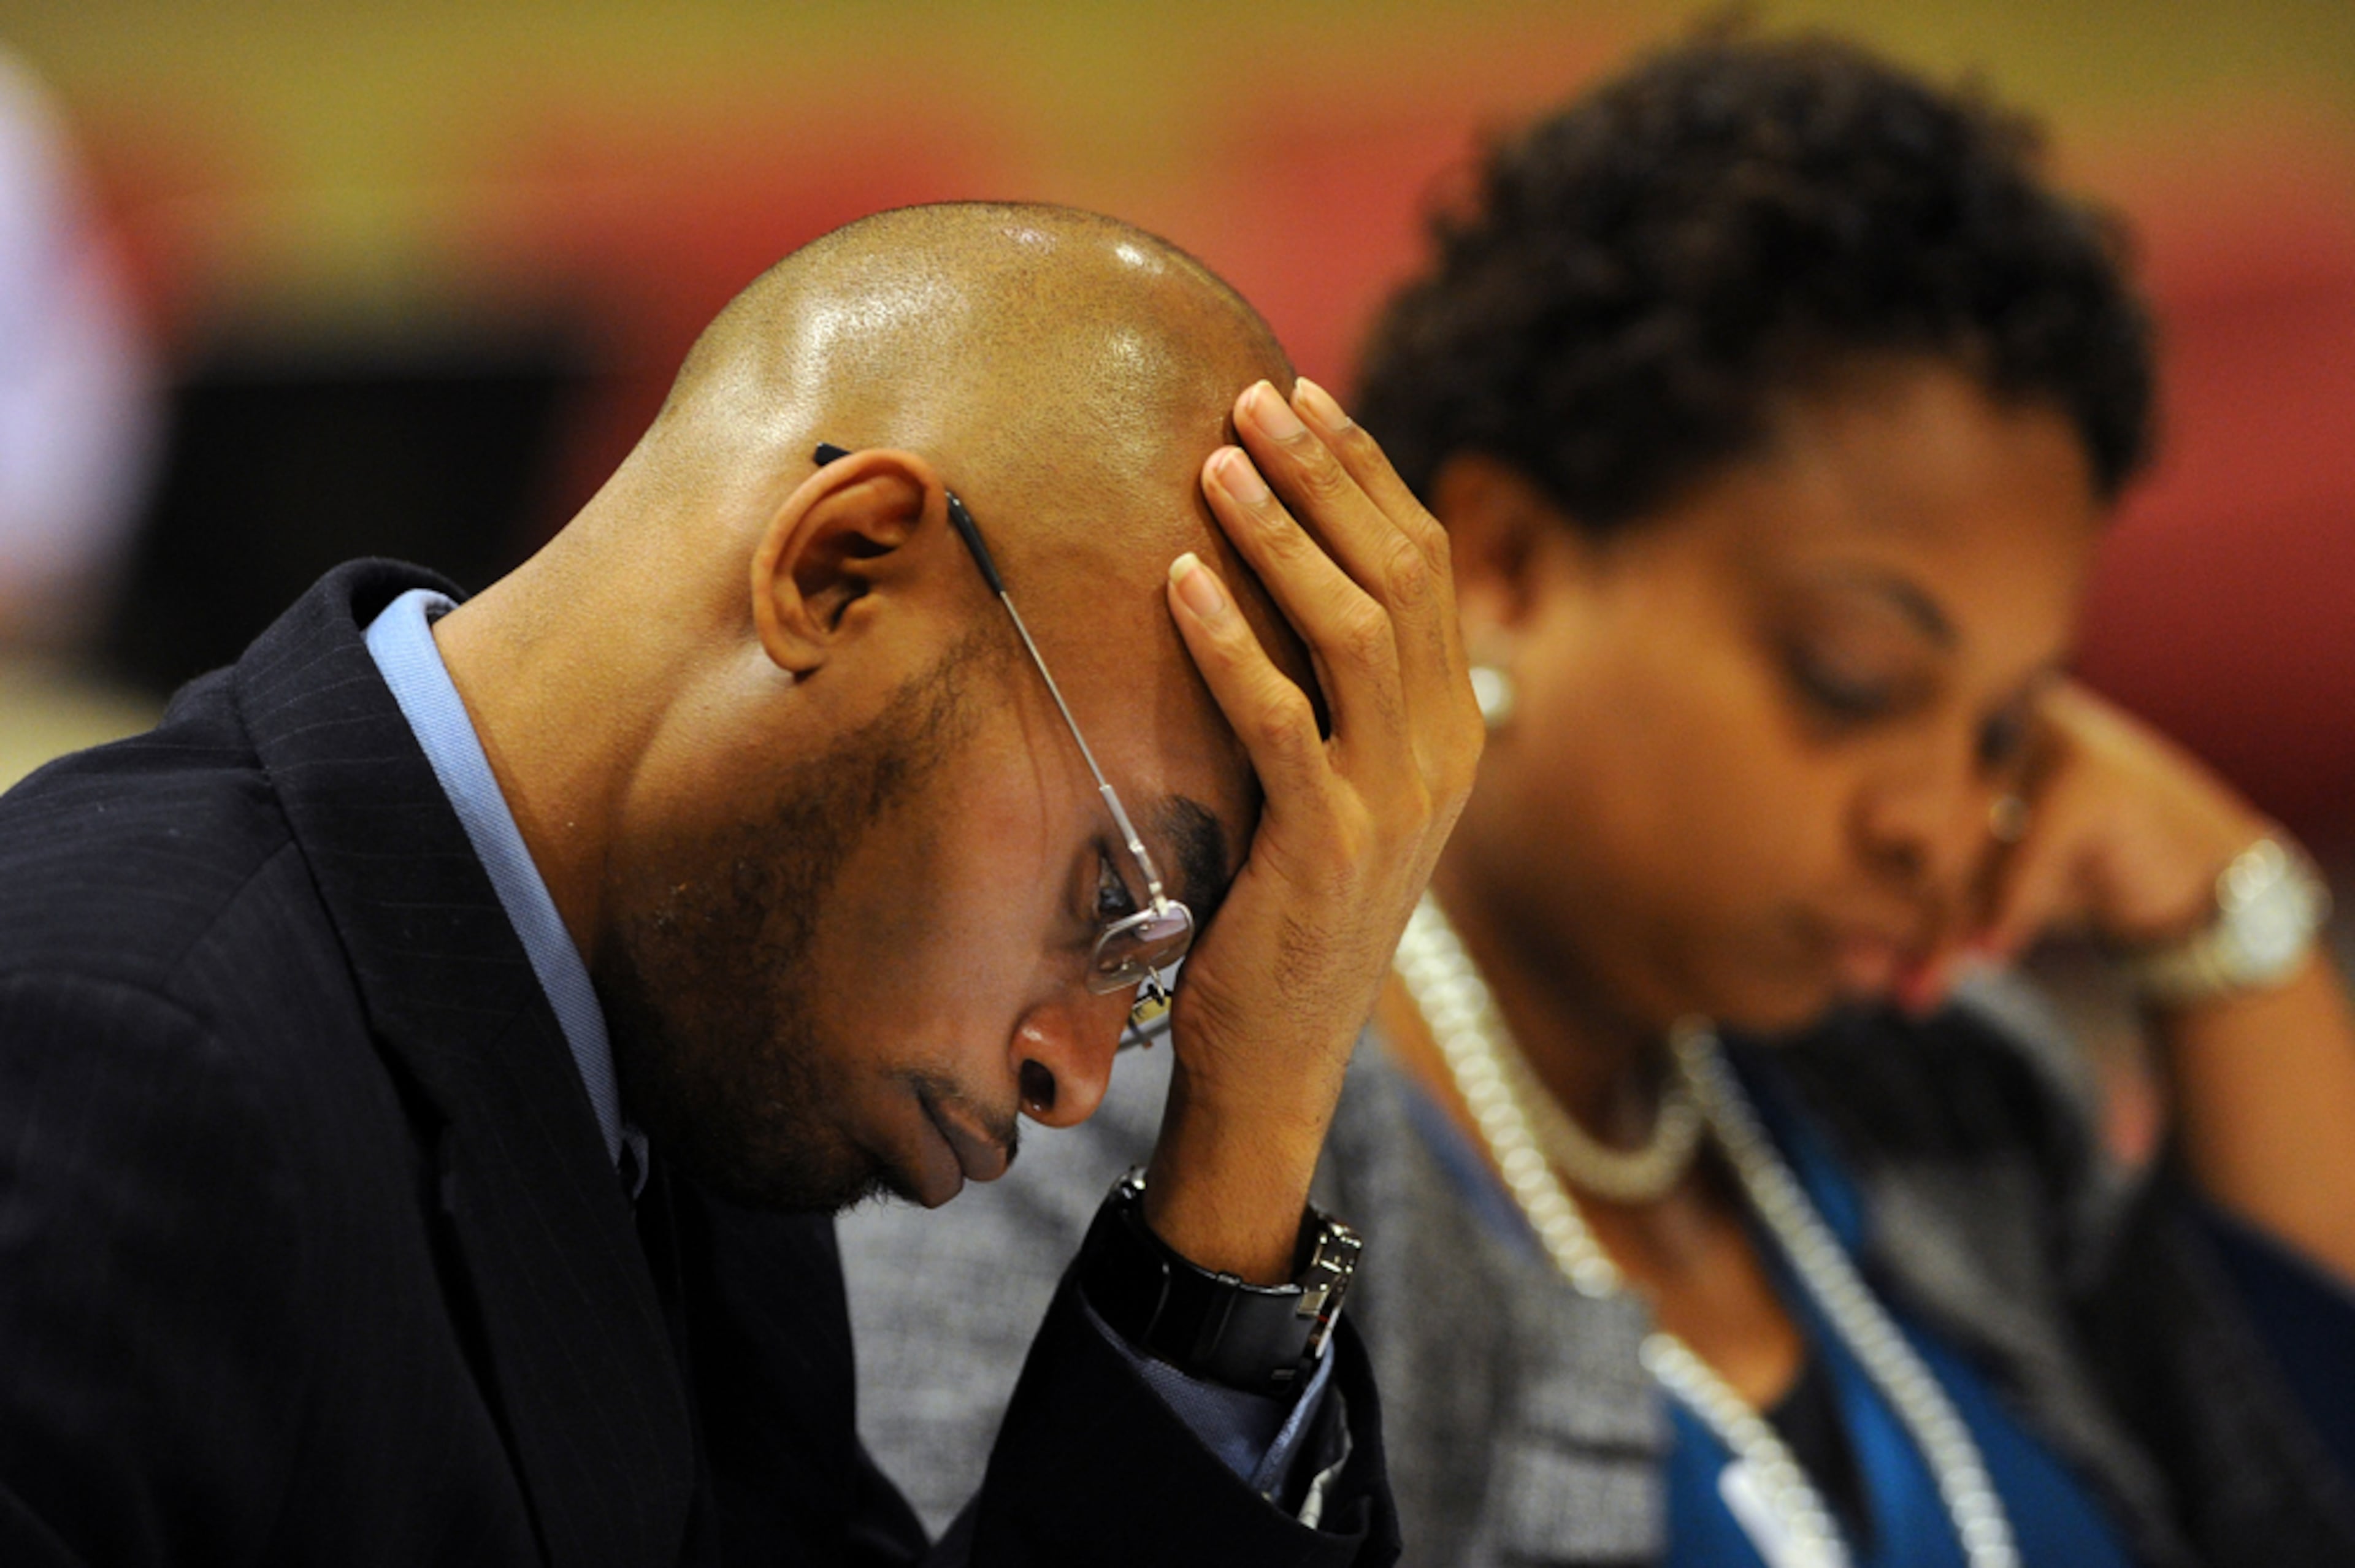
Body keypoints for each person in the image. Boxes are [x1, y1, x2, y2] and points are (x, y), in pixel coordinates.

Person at [838, 39, 2355, 1567]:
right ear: (1507, 565)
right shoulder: (1100, 1102)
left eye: (2010, 726)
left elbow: (2303, 1484)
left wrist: (2224, 900)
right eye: (1854, 676)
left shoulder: (1937, 1085)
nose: (1941, 821)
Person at [0, 201, 1488, 1565]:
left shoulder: (684, 1048)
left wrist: (1259, 1108)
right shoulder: (115, 1064)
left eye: (1145, 991)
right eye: (1113, 902)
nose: (1077, 1084)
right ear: (836, 570)